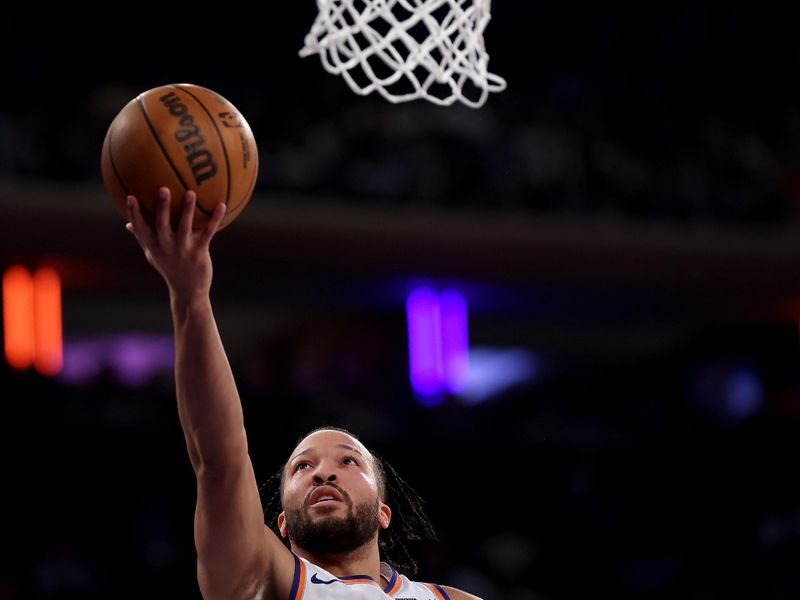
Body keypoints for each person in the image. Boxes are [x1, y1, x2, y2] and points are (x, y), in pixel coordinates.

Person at [124, 187, 481, 600]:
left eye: (348, 460)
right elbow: (219, 460)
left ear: (384, 512)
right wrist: (191, 298)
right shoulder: (265, 577)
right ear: (282, 524)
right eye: (301, 468)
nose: (322, 472)